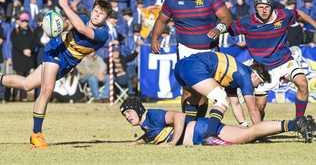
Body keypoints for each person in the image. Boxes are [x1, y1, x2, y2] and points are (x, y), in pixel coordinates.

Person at [0, 0, 111, 149]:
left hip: (66, 65)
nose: (97, 15)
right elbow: (67, 25)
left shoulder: (104, 33)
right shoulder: (83, 17)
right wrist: (54, 24)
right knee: (47, 90)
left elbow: (81, 29)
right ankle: (36, 134)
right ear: (92, 10)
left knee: (27, 85)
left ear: (106, 18)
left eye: (102, 14)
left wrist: (65, 6)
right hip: (56, 51)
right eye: (96, 11)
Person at [151, 0, 232, 122]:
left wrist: (218, 28)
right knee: (189, 90)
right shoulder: (172, 0)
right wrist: (155, 38)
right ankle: (188, 124)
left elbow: (227, 18)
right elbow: (162, 20)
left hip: (210, 51)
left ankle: (198, 125)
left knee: (205, 92)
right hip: (186, 50)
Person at [229, 0, 315, 120]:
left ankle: (299, 121)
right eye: (260, 7)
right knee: (260, 107)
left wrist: (314, 24)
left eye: (267, 7)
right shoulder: (247, 22)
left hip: (285, 61)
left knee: (302, 83)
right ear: (255, 7)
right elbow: (229, 28)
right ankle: (260, 130)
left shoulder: (283, 15)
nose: (264, 10)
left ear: (272, 7)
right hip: (262, 69)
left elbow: (299, 13)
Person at [120, 97, 315, 146]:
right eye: (125, 115)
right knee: (249, 134)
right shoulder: (147, 124)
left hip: (202, 130)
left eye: (128, 112)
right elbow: (152, 135)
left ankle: (295, 124)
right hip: (200, 133)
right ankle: (294, 124)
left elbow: (178, 117)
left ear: (138, 109)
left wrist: (172, 143)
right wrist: (135, 143)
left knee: (249, 133)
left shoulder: (152, 115)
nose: (128, 117)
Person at [174, 51, 271, 124]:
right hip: (194, 67)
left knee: (194, 99)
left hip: (181, 66)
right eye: (260, 82)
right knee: (222, 99)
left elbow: (235, 103)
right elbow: (253, 109)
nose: (258, 86)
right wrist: (260, 131)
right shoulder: (245, 76)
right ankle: (210, 134)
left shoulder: (235, 77)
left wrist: (243, 124)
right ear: (255, 75)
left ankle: (187, 129)